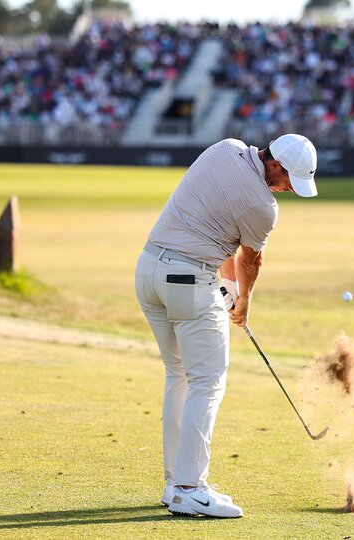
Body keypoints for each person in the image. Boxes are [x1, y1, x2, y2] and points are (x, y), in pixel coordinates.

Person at [135, 134, 318, 518]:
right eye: (289, 181)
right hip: (188, 282)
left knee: (180, 375)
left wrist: (229, 287)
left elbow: (216, 226)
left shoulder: (224, 148)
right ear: (274, 166)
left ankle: (174, 484)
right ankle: (190, 489)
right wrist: (244, 301)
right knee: (207, 381)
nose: (289, 189)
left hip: (149, 271)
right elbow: (250, 260)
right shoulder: (262, 206)